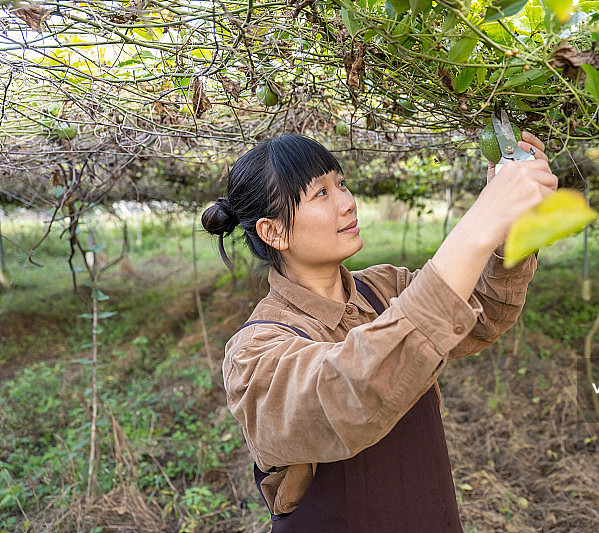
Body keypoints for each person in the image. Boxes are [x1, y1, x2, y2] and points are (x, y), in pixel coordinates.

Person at [201, 132, 558, 532]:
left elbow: (484, 308)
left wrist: (510, 226)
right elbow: (348, 390)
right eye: (321, 193)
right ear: (274, 232)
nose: (347, 202)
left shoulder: (384, 289)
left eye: (341, 183)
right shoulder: (255, 353)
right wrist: (477, 227)